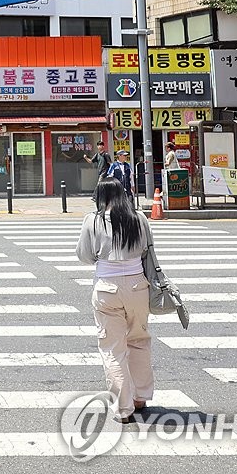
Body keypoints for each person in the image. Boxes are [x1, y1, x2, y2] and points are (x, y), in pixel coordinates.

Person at [75, 176, 155, 423]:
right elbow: (147, 250)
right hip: (137, 286)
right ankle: (140, 397)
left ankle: (123, 408)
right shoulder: (139, 219)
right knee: (139, 340)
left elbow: (85, 255)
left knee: (112, 349)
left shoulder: (94, 221)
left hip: (107, 288)